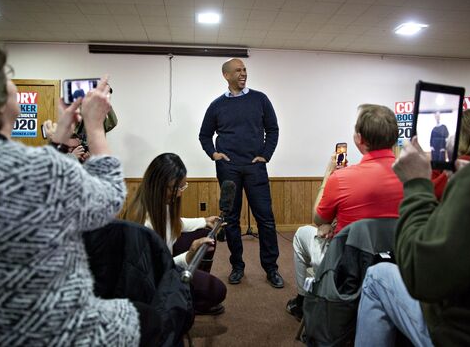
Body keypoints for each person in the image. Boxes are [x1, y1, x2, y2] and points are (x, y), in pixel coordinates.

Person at [0, 36, 141, 345]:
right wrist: (95, 127)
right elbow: (110, 199)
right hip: (57, 331)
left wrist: (57, 142)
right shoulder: (43, 169)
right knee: (159, 309)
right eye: (7, 75)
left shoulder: (38, 166)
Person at [355, 135, 470, 346]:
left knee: (377, 276)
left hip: (466, 333)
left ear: (359, 138)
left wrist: (416, 184)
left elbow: (421, 274)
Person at [286, 104, 404, 320]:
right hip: (399, 260)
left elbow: (319, 218)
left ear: (359, 139)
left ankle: (303, 301)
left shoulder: (342, 178)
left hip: (346, 264)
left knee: (302, 234)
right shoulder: (415, 176)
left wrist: (328, 174)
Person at [199, 58, 283, 288]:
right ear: (226, 76)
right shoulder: (217, 105)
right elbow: (204, 135)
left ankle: (271, 268)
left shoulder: (260, 99)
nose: (243, 73)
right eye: (238, 71)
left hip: (255, 167)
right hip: (228, 168)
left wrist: (266, 154)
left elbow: (273, 129)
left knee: (265, 219)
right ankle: (237, 266)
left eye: (244, 69)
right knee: (231, 220)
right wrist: (214, 154)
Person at [119, 153, 227, 315]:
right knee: (217, 290)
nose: (180, 193)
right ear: (159, 184)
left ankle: (187, 289)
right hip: (153, 279)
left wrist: (204, 221)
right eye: (176, 188)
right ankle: (183, 300)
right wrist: (189, 256)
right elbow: (156, 271)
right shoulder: (144, 223)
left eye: (183, 187)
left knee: (206, 234)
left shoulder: (158, 201)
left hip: (164, 262)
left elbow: (175, 223)